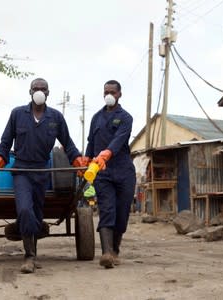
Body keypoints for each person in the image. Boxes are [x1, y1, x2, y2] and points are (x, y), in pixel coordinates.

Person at [0, 78, 87, 274]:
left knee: (35, 212)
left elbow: (68, 145)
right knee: (25, 209)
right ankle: (28, 256)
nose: (39, 91)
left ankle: (32, 249)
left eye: (43, 89)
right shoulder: (18, 114)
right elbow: (5, 143)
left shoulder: (56, 117)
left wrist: (78, 163)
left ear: (48, 93)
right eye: (36, 88)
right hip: (21, 171)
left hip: (43, 172)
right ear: (30, 91)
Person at [85, 80, 136, 269]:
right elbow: (91, 143)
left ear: (119, 94)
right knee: (107, 209)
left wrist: (107, 153)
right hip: (102, 172)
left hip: (123, 171)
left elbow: (119, 139)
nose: (109, 94)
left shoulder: (126, 118)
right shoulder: (96, 118)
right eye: (106, 91)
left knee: (122, 213)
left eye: (112, 92)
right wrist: (87, 160)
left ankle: (115, 250)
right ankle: (106, 253)